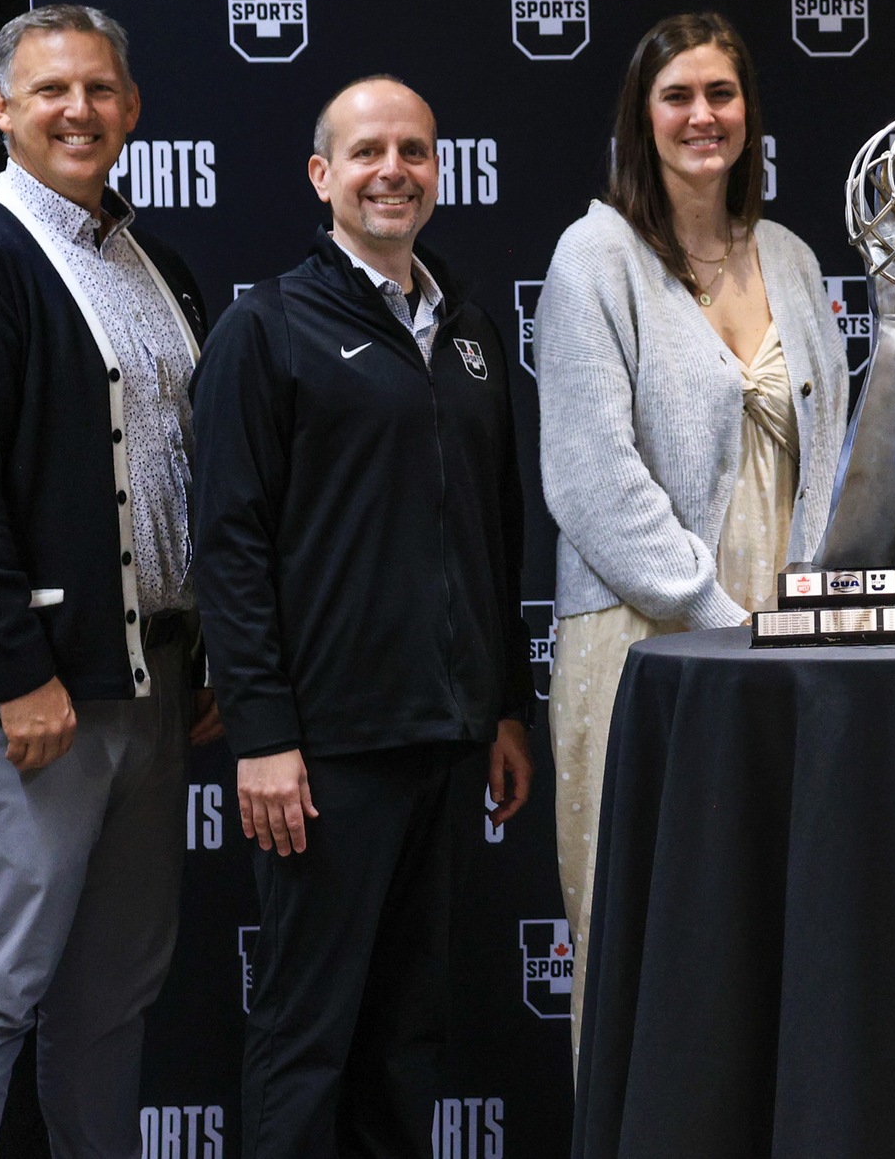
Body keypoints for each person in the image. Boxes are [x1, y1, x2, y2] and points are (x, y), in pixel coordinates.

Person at [0, 4, 218, 1159]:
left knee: (109, 1002)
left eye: (101, 90)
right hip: (30, 705)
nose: (79, 110)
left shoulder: (152, 262)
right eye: (51, 91)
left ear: (131, 107)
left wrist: (204, 659)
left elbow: (185, 479)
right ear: (2, 109)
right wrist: (19, 673)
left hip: (151, 689)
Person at [193, 75, 536, 1156]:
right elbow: (229, 549)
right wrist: (264, 737)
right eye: (368, 152)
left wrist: (504, 709)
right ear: (322, 175)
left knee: (407, 1036)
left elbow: (494, 529)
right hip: (327, 751)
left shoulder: (470, 331)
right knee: (309, 1037)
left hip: (445, 738)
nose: (394, 170)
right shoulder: (269, 328)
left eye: (415, 152)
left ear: (440, 170)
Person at [533, 12, 847, 1050]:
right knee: (641, 935)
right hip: (644, 642)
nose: (702, 116)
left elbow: (835, 458)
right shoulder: (596, 257)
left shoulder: (793, 261)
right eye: (678, 96)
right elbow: (592, 481)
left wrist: (798, 618)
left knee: (778, 928)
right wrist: (720, 622)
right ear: (642, 117)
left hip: (785, 641)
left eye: (721, 94)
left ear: (748, 114)